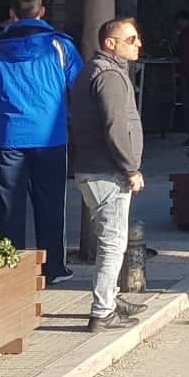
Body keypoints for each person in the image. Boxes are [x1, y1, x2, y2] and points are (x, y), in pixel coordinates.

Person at [0, 0, 82, 282]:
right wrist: (67, 116)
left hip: (7, 136)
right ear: (42, 12)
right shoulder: (60, 46)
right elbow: (79, 87)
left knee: (9, 207)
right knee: (51, 203)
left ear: (12, 14)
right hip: (51, 136)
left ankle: (12, 272)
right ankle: (53, 268)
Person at [70, 18, 148, 332]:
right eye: (131, 39)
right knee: (113, 243)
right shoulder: (109, 76)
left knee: (111, 239)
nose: (138, 44)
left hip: (94, 167)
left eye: (137, 38)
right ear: (110, 43)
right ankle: (102, 311)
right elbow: (115, 127)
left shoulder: (94, 70)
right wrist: (130, 168)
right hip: (106, 170)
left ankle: (111, 299)